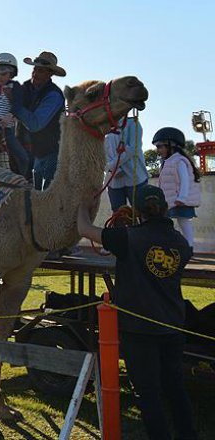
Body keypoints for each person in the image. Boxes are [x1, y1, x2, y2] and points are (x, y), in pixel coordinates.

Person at [77, 184, 197, 440]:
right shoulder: (181, 243)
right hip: (172, 327)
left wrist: (82, 204)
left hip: (139, 331)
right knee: (175, 389)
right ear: (165, 208)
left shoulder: (126, 238)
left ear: (138, 211)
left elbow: (84, 229)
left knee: (148, 394)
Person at [6, 51, 67, 190]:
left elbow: (35, 124)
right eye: (35, 69)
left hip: (48, 154)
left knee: (44, 195)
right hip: (27, 152)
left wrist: (14, 103)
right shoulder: (26, 88)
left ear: (50, 74)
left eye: (41, 71)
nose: (35, 74)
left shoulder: (54, 95)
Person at [154, 127, 202, 255]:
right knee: (170, 222)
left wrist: (182, 197)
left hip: (179, 200)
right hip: (171, 200)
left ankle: (189, 247)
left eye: (159, 146)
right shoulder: (168, 161)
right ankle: (174, 246)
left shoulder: (179, 161)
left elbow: (185, 181)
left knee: (184, 222)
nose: (158, 150)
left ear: (171, 145)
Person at [104, 117, 147, 212]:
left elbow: (132, 148)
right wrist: (114, 169)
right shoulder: (103, 126)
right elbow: (101, 154)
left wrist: (112, 165)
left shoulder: (133, 123)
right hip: (114, 182)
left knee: (141, 211)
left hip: (135, 178)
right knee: (118, 214)